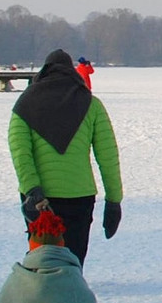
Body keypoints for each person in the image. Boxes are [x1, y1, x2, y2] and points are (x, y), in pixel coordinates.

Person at [9, 49, 124, 263]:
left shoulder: (24, 105)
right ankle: (72, 290)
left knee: (43, 261)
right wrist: (113, 201)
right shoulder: (92, 105)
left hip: (40, 199)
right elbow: (108, 157)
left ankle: (43, 292)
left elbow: (20, 152)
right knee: (73, 260)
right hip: (79, 197)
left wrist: (32, 189)